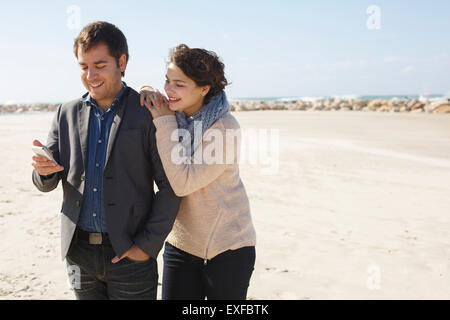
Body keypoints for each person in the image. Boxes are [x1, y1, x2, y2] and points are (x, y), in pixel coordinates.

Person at [31, 21, 180, 300]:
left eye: (99, 65)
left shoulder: (149, 112)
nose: (90, 75)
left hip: (130, 255)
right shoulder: (66, 112)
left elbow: (171, 186)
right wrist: (44, 171)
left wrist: (146, 247)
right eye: (83, 66)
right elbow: (44, 181)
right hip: (78, 255)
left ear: (121, 62)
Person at [139, 44, 257, 300]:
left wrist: (164, 120)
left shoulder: (224, 127)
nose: (170, 90)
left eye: (179, 84)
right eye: (167, 81)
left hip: (229, 247)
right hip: (181, 243)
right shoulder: (173, 113)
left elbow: (184, 182)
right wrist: (147, 89)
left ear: (204, 89)